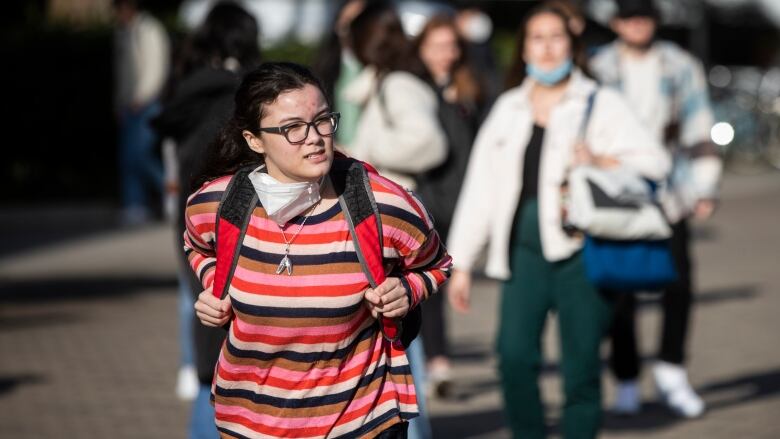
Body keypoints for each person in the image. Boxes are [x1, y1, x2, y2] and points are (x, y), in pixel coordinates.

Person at [185, 61, 452, 439]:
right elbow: (195, 244)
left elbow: (438, 263)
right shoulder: (218, 204)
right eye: (293, 128)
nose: (314, 137)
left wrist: (407, 291)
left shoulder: (383, 204)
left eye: (322, 120)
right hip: (249, 422)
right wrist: (216, 284)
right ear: (254, 140)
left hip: (361, 420)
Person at [445, 4, 670, 438]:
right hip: (522, 254)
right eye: (537, 38)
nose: (547, 48)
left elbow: (656, 163)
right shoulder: (508, 107)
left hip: (582, 254)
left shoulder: (601, 102)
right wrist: (462, 263)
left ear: (572, 44)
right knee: (512, 356)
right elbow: (480, 190)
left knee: (580, 366)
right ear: (524, 50)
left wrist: (603, 159)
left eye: (556, 37)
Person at [589, 0, 722, 418]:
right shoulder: (599, 66)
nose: (636, 24)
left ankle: (671, 369)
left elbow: (699, 124)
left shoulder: (680, 64)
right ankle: (626, 377)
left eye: (643, 16)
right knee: (619, 285)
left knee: (678, 281)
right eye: (628, 17)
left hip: (671, 187)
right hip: (616, 186)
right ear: (615, 23)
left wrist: (705, 186)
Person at [152, 2, 262, 437]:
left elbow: (157, 144)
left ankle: (191, 375)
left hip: (190, 220)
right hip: (238, 223)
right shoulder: (241, 95)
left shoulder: (185, 87)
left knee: (196, 309)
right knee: (229, 334)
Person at [412, 13, 485, 399]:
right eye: (437, 45)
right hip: (427, 200)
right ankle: (438, 363)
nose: (446, 53)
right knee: (433, 285)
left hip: (466, 197)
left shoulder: (471, 87)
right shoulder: (412, 89)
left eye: (451, 45)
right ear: (421, 49)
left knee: (460, 277)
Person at [344, 1, 447, 191]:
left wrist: (370, 147)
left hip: (399, 199)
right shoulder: (386, 81)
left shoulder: (397, 84)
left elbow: (429, 143)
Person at [112, 0, 170, 225]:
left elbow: (156, 67)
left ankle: (170, 197)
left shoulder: (149, 29)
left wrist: (142, 96)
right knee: (128, 158)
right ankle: (135, 205)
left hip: (147, 103)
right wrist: (119, 102)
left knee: (143, 155)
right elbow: (122, 73)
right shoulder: (122, 32)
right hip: (129, 105)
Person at [312, 0, 367, 151]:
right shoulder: (323, 68)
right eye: (348, 21)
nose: (352, 28)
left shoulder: (384, 70)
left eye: (360, 22)